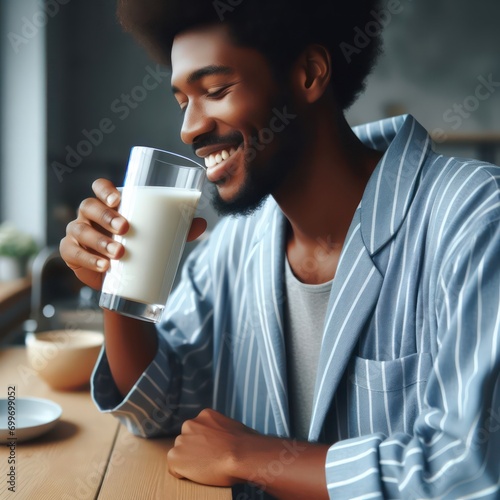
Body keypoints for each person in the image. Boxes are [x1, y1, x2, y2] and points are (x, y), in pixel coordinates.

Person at [60, 0, 500, 498]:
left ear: (309, 74)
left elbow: (469, 468)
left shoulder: (474, 217)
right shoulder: (235, 244)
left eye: (216, 90)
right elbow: (162, 405)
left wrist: (251, 457)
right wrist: (118, 285)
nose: (190, 128)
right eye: (184, 101)